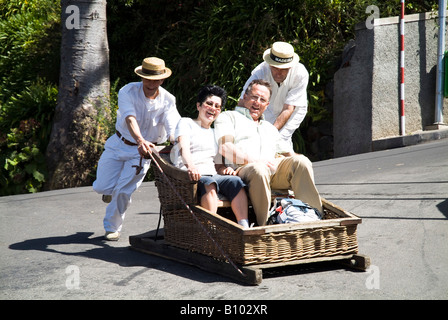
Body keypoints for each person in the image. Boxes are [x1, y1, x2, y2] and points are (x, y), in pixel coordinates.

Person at [93, 57, 181, 241]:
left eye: (155, 79)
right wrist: (140, 139)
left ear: (162, 80)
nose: (151, 83)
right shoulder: (127, 91)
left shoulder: (168, 100)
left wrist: (177, 142)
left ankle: (112, 228)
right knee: (102, 186)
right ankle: (109, 191)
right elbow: (129, 118)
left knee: (124, 191)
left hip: (143, 153)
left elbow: (173, 127)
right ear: (141, 77)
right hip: (118, 143)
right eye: (147, 78)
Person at [214, 79, 322, 226]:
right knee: (259, 169)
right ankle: (265, 226)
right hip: (244, 170)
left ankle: (313, 217)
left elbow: (288, 154)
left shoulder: (269, 128)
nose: (257, 102)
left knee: (301, 162)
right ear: (245, 97)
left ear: (267, 105)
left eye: (262, 99)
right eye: (254, 97)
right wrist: (255, 161)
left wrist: (301, 158)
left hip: (272, 172)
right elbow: (225, 147)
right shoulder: (229, 117)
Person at [170, 85, 250, 228]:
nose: (213, 108)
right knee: (209, 183)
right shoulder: (186, 123)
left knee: (236, 182)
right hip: (188, 174)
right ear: (199, 106)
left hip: (212, 174)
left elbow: (218, 165)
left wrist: (224, 170)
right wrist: (191, 166)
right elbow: (183, 147)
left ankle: (244, 227)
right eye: (209, 104)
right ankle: (210, 230)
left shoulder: (215, 132)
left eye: (217, 106)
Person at [238, 41, 309, 153]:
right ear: (270, 64)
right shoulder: (259, 72)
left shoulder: (300, 74)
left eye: (284, 69)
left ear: (290, 66)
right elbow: (243, 101)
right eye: (275, 68)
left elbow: (288, 108)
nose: (278, 73)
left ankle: (288, 166)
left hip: (294, 110)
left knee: (281, 141)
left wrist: (270, 135)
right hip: (268, 109)